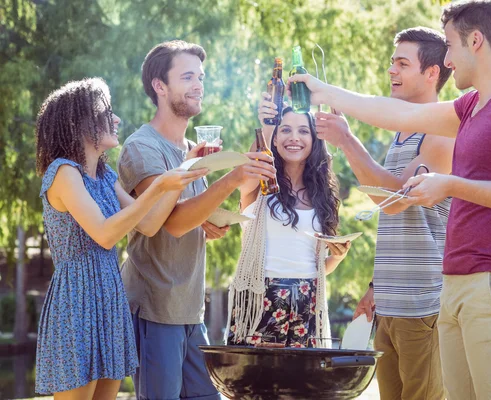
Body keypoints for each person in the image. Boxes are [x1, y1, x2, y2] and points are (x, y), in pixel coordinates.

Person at [288, 1, 491, 398]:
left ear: (476, 40)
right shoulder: (472, 106)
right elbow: (394, 114)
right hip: (457, 283)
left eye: (450, 45)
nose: (448, 59)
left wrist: (451, 185)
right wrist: (322, 90)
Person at [117, 40, 276, 400]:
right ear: (160, 86)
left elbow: (186, 215)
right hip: (156, 307)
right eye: (187, 77)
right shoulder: (142, 148)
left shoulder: (192, 150)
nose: (198, 85)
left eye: (200, 77)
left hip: (190, 310)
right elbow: (167, 223)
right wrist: (232, 179)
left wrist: (208, 219)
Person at [34, 77, 207, 399]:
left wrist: (185, 170)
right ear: (79, 122)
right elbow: (104, 233)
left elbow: (151, 223)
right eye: (106, 112)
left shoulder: (104, 175)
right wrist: (157, 187)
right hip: (77, 299)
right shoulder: (63, 173)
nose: (116, 119)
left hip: (109, 296)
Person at [315, 27, 453, 399]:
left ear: (432, 74)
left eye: (402, 63)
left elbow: (394, 199)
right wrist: (376, 288)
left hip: (421, 304)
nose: (392, 70)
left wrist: (346, 139)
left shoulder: (442, 134)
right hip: (390, 303)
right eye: (392, 61)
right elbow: (400, 218)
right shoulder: (404, 133)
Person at [226, 102, 351, 348]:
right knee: (259, 383)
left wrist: (337, 257)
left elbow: (315, 267)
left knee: (303, 384)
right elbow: (250, 167)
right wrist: (267, 125)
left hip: (309, 302)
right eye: (285, 130)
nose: (294, 138)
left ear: (315, 140)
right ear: (273, 139)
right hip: (260, 299)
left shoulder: (323, 196)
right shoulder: (260, 185)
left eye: (304, 131)